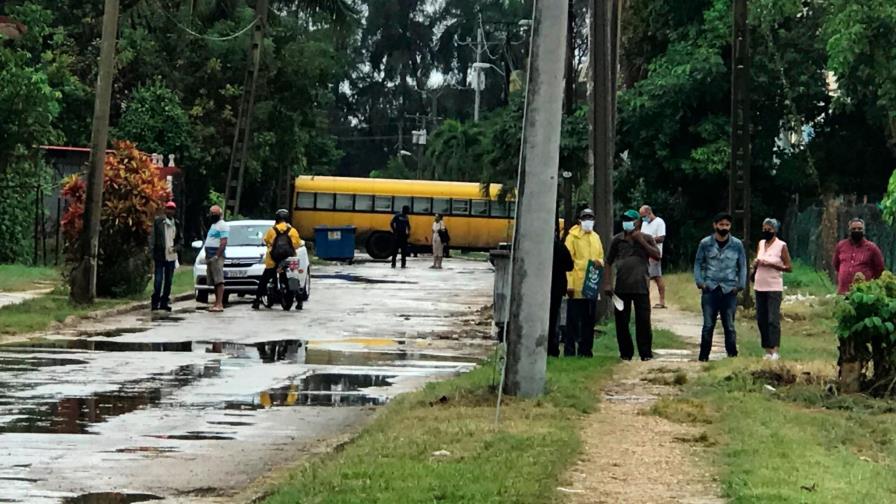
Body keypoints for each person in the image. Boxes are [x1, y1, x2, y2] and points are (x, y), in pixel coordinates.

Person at [605, 209, 662, 361]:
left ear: (638, 222)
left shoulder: (647, 238)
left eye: (630, 220)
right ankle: (626, 353)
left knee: (643, 321)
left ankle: (645, 353)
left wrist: (641, 240)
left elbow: (657, 256)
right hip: (621, 287)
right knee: (621, 322)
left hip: (641, 286)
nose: (627, 223)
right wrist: (608, 283)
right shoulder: (617, 239)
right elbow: (608, 262)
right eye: (625, 219)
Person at [694, 212, 747, 362]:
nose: (724, 227)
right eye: (721, 224)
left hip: (729, 289)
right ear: (715, 225)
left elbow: (742, 265)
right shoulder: (705, 243)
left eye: (727, 225)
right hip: (710, 288)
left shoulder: (737, 244)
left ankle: (732, 356)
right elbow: (698, 263)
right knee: (708, 325)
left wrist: (740, 285)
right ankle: (703, 357)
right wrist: (700, 282)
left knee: (729, 325)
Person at [564, 208, 605, 357]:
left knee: (589, 320)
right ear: (580, 220)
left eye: (591, 217)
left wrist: (599, 262)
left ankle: (586, 350)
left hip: (591, 285)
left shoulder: (596, 237)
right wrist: (569, 284)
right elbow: (568, 262)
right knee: (573, 321)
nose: (588, 220)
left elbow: (601, 256)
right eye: (585, 217)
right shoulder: (572, 237)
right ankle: (569, 351)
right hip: (576, 285)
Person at [753, 218, 792, 360]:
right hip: (759, 285)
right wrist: (756, 263)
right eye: (764, 228)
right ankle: (767, 349)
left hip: (774, 286)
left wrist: (771, 264)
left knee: (772, 319)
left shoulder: (781, 245)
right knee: (761, 319)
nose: (766, 231)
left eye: (769, 229)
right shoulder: (761, 243)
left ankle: (775, 349)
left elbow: (789, 267)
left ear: (775, 230)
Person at [253, 209, 302, 310]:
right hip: (290, 260)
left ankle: (257, 300)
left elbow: (266, 241)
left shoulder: (272, 230)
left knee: (264, 279)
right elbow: (297, 244)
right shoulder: (293, 230)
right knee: (294, 279)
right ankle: (299, 300)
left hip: (273, 260)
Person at [832, 218, 885, 295]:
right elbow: (836, 265)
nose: (856, 231)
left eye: (859, 229)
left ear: (864, 231)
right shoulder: (841, 246)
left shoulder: (872, 248)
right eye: (854, 229)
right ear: (849, 230)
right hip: (843, 292)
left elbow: (879, 269)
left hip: (863, 293)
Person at [149, 201, 182, 311]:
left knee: (168, 280)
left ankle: (164, 302)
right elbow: (152, 238)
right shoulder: (159, 222)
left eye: (172, 209)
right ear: (165, 210)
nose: (170, 211)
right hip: (160, 255)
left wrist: (176, 248)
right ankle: (155, 302)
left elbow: (180, 240)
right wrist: (151, 252)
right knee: (158, 280)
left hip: (171, 255)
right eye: (168, 209)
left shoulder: (176, 223)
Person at [550, 225, 574, 357]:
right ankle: (553, 349)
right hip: (557, 288)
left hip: (541, 289)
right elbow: (570, 266)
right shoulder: (560, 247)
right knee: (554, 318)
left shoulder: (538, 247)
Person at [639, 205, 667, 308]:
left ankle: (662, 300)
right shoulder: (645, 223)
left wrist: (649, 241)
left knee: (656, 277)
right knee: (645, 277)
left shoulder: (659, 222)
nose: (643, 218)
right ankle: (646, 300)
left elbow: (661, 238)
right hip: (645, 253)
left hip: (654, 253)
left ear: (649, 213)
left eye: (644, 216)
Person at [203, 205, 229, 312]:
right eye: (211, 213)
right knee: (214, 280)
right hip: (210, 255)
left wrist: (217, 255)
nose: (212, 215)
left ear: (220, 214)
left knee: (219, 280)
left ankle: (220, 303)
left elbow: (223, 242)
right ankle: (216, 302)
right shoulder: (214, 225)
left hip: (216, 255)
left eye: (215, 213)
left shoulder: (222, 225)